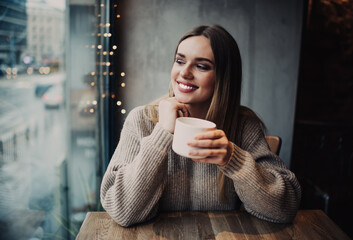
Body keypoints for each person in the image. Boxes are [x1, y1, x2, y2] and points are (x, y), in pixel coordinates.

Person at [100, 24, 302, 227]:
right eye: (180, 61)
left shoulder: (243, 125)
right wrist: (161, 133)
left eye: (202, 66)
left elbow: (285, 208)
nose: (184, 73)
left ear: (223, 78)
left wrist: (233, 159)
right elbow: (122, 211)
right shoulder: (141, 120)